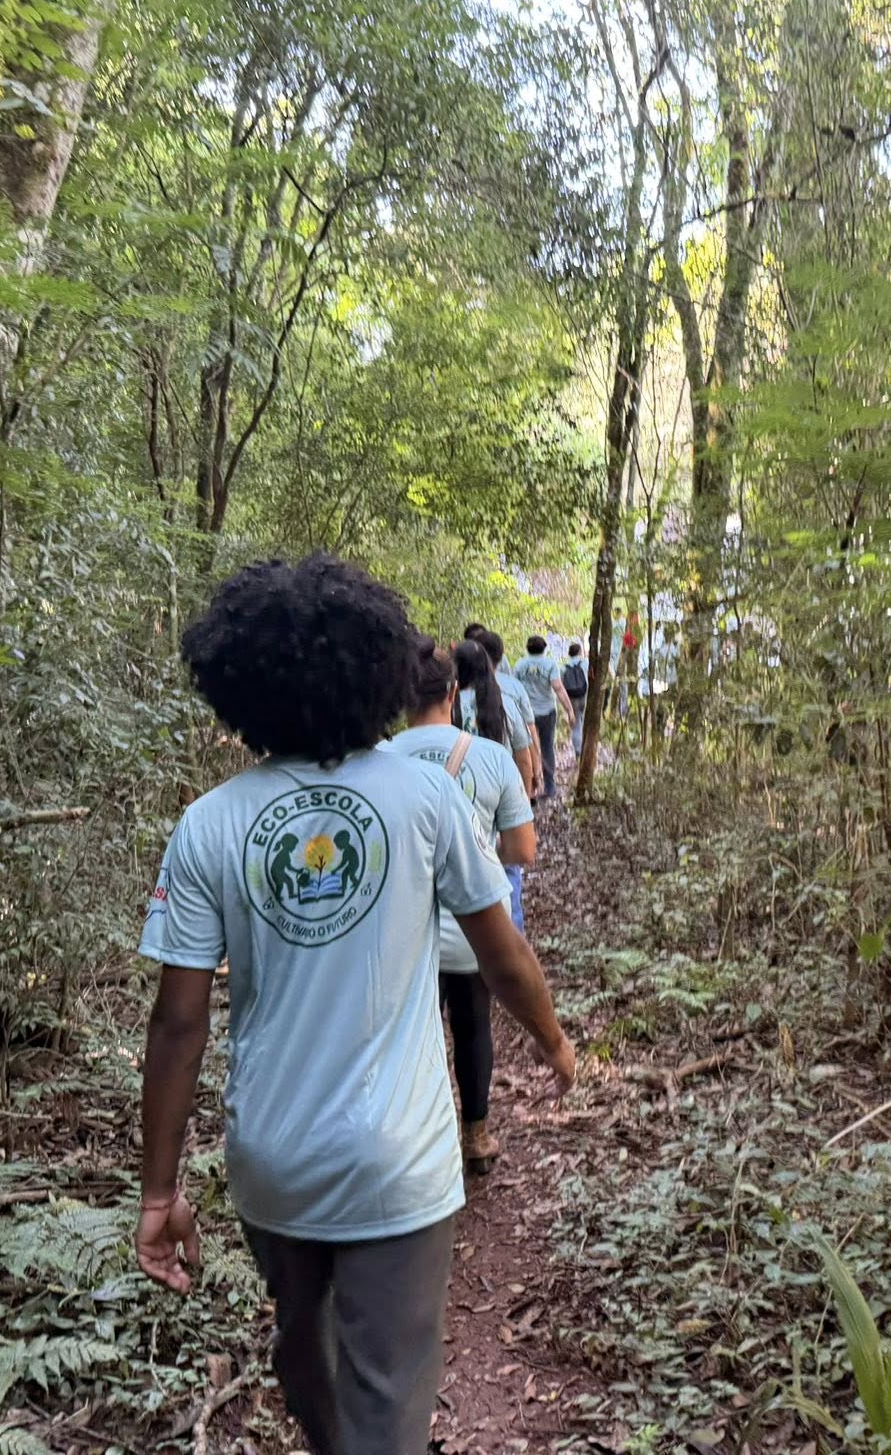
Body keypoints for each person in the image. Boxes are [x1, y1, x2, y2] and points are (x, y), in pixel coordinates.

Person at [135, 554, 575, 1455]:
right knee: (387, 1399)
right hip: (397, 1161)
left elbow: (178, 1023)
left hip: (273, 1159)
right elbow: (502, 954)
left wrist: (158, 1190)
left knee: (309, 1366)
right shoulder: (426, 798)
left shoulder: (211, 823)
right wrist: (555, 1043)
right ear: (375, 671)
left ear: (241, 686)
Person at [389, 639, 536, 1174]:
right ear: (454, 693)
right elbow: (522, 850)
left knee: (413, 1034)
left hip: (402, 932)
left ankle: (415, 1142)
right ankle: (475, 1135)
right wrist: (477, 858)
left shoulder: (377, 762)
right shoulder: (491, 758)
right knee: (473, 1028)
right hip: (474, 931)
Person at [453, 637, 531, 930]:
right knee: (508, 877)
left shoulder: (446, 707)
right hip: (498, 804)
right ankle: (512, 940)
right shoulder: (504, 705)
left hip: (458, 803)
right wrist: (522, 804)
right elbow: (523, 758)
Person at [467, 626, 541, 800]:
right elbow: (528, 734)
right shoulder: (514, 688)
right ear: (501, 657)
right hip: (506, 781)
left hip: (468, 784)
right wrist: (536, 768)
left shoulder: (456, 694)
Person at [513, 635, 569, 799]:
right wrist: (569, 709)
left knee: (528, 748)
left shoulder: (520, 665)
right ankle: (549, 787)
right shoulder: (550, 664)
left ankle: (530, 786)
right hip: (547, 712)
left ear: (527, 648)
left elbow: (515, 688)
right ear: (544, 648)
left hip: (525, 713)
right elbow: (558, 688)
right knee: (547, 747)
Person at [562, 642, 589, 756]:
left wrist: (565, 706)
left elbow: (561, 686)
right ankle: (587, 747)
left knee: (576, 724)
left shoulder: (564, 668)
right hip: (585, 695)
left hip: (572, 698)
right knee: (585, 721)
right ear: (580, 652)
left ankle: (578, 751)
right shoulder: (586, 663)